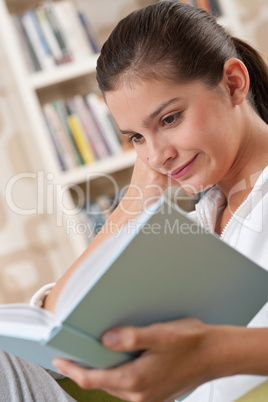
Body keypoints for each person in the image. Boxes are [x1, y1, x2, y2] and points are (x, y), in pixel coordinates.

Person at [1, 2, 268, 401]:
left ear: (232, 83)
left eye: (169, 119)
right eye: (136, 138)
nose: (156, 156)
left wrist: (214, 353)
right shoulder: (193, 225)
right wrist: (134, 203)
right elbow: (54, 320)